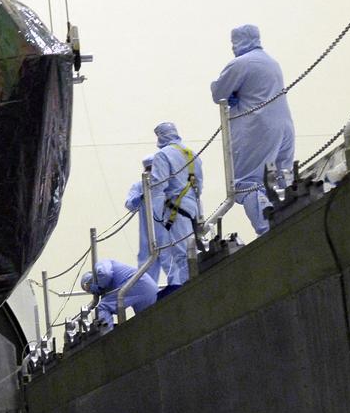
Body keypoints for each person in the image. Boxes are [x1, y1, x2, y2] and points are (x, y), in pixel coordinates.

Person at [210, 24, 295, 236]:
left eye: (233, 42)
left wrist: (230, 94)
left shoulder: (240, 64)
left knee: (246, 183)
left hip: (258, 128)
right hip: (284, 127)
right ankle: (293, 218)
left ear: (239, 41)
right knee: (282, 178)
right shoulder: (272, 62)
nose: (232, 47)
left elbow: (218, 92)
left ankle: (267, 230)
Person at [122, 123, 203, 298]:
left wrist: (159, 212)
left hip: (170, 215)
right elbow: (199, 186)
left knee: (178, 256)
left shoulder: (163, 155)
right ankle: (149, 296)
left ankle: (185, 289)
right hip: (180, 213)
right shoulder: (191, 154)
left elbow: (159, 185)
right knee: (153, 262)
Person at [80, 259, 159, 327]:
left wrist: (99, 287)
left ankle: (106, 337)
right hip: (150, 287)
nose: (93, 292)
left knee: (103, 307)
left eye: (88, 288)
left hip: (136, 283)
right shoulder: (110, 288)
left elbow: (105, 274)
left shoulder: (100, 264)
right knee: (146, 322)